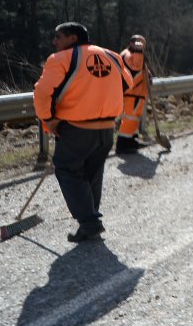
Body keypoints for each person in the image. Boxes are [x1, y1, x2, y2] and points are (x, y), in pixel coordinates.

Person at [33, 22, 132, 242]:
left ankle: (89, 221)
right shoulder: (112, 56)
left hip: (76, 129)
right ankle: (90, 223)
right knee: (92, 175)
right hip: (106, 129)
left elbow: (41, 94)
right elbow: (127, 83)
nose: (54, 41)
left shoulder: (59, 60)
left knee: (68, 170)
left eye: (58, 37)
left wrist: (49, 120)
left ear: (72, 39)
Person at [116, 34, 150, 154]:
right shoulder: (129, 54)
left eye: (142, 44)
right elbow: (135, 69)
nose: (140, 45)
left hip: (137, 93)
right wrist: (138, 51)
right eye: (137, 42)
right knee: (129, 119)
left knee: (133, 119)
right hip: (131, 93)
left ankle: (131, 141)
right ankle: (122, 145)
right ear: (131, 43)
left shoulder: (135, 55)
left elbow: (140, 70)